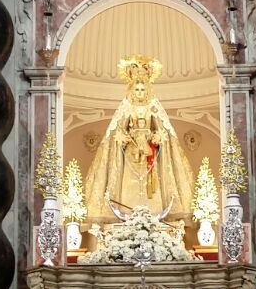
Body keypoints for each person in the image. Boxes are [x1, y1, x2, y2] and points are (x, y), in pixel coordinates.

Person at [83, 55, 194, 220]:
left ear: (147, 90)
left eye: (142, 89)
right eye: (137, 89)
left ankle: (153, 214)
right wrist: (122, 137)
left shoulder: (153, 107)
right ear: (131, 90)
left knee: (152, 183)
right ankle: (128, 213)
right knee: (129, 181)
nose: (140, 93)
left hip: (150, 154)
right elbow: (117, 130)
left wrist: (158, 137)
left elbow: (163, 130)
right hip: (131, 154)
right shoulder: (126, 107)